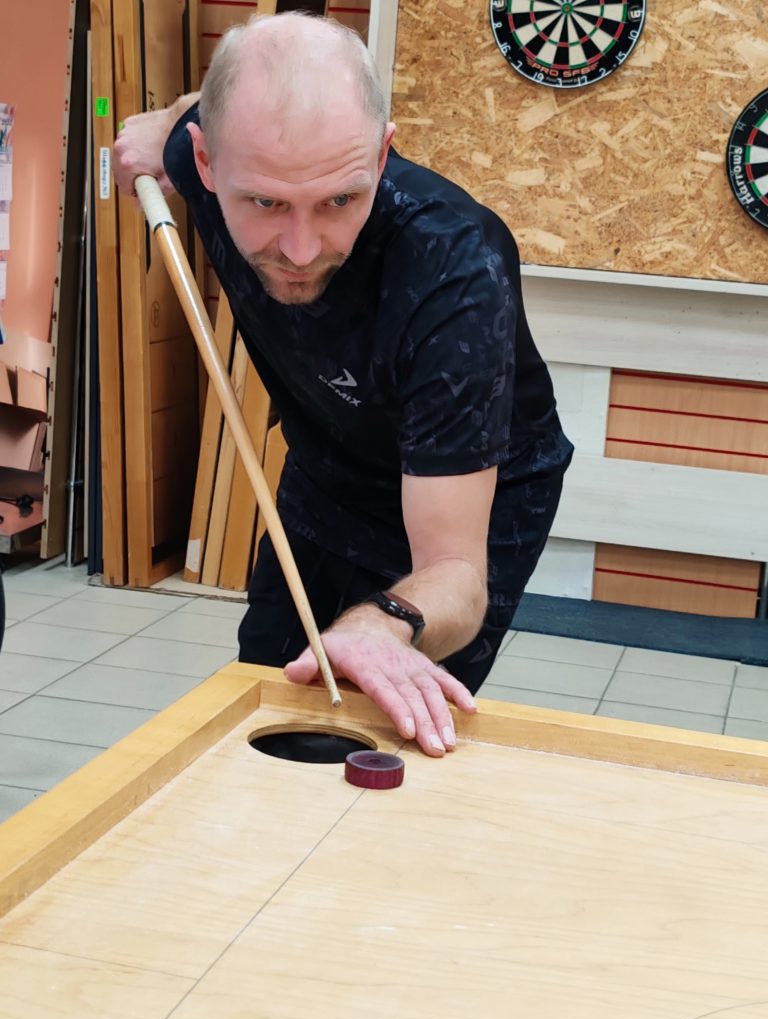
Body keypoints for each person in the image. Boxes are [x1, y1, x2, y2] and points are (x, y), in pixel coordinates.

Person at [113, 12, 573, 758]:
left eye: (339, 201)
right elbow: (192, 111)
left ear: (382, 154)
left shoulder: (454, 272)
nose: (301, 250)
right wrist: (155, 124)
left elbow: (455, 572)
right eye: (265, 203)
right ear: (204, 161)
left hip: (470, 490)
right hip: (330, 456)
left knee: (373, 738)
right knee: (269, 699)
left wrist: (382, 624)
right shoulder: (195, 152)